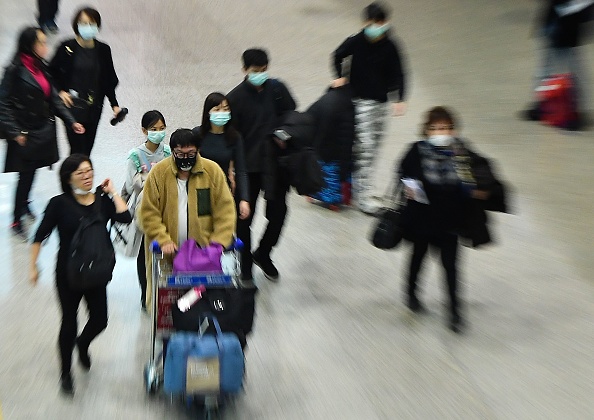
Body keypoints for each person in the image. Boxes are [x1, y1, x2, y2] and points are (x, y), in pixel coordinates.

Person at [29, 154, 131, 395]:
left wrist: (113, 192)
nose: (87, 177)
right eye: (80, 173)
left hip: (96, 271)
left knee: (100, 320)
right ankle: (66, 373)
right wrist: (33, 266)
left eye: (89, 171)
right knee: (69, 322)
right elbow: (39, 235)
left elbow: (126, 217)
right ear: (68, 178)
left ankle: (82, 344)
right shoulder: (58, 204)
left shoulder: (102, 200)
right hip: (68, 274)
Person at [398, 106, 506, 334]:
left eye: (446, 128)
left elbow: (485, 171)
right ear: (427, 130)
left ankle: (455, 312)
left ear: (454, 130)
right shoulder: (416, 151)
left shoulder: (462, 152)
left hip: (451, 222)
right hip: (423, 220)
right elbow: (403, 172)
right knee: (418, 259)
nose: (441, 132)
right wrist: (409, 188)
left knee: (451, 268)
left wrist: (481, 190)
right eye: (436, 128)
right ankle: (411, 293)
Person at [0, 26, 85, 238]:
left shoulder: (41, 67)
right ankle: (16, 219)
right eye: (41, 42)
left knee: (32, 171)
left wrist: (71, 120)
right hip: (24, 132)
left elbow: (53, 98)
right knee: (25, 173)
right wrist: (14, 132)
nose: (45, 46)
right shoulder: (14, 70)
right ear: (30, 45)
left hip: (41, 130)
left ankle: (25, 204)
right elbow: (2, 103)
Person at [138, 129, 236, 308]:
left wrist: (219, 241)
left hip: (203, 254)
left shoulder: (212, 171)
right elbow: (148, 212)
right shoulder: (159, 173)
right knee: (168, 306)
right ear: (172, 151)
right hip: (168, 254)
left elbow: (226, 210)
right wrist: (162, 239)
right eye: (179, 154)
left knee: (200, 303)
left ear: (198, 150)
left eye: (191, 154)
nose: (185, 158)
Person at [227, 48, 296, 283]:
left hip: (276, 165)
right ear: (245, 70)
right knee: (244, 219)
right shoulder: (234, 99)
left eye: (264, 70)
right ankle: (245, 264)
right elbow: (230, 138)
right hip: (249, 169)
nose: (261, 75)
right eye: (256, 71)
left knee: (279, 215)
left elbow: (292, 115)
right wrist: (232, 170)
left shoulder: (278, 90)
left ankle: (263, 253)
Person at [332, 1, 407, 215]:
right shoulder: (357, 41)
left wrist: (400, 98)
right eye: (371, 23)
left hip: (380, 104)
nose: (375, 27)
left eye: (380, 22)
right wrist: (339, 77)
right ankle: (360, 196)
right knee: (365, 146)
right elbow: (337, 55)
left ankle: (358, 189)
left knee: (373, 148)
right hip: (359, 101)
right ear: (365, 22)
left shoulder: (392, 46)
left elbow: (399, 72)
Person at [48, 6, 123, 156]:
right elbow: (51, 72)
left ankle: (78, 176)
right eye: (83, 23)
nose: (88, 27)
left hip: (94, 108)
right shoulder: (66, 47)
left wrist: (115, 105)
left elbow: (108, 79)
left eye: (91, 23)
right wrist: (61, 92)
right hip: (71, 107)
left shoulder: (103, 50)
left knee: (87, 149)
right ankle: (74, 176)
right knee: (76, 149)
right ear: (76, 24)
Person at [123, 110, 171, 310]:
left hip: (167, 210)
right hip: (145, 210)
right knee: (145, 255)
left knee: (167, 253)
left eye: (161, 129)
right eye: (153, 129)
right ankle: (145, 293)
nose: (158, 133)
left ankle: (166, 293)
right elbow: (130, 183)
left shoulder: (168, 152)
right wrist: (151, 180)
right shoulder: (135, 155)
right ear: (144, 130)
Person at [522, 0, 593, 128]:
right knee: (544, 68)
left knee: (574, 70)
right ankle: (543, 103)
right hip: (554, 19)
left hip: (570, 25)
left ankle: (575, 111)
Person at [194, 92, 250, 221]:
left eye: (225, 109)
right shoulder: (197, 134)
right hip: (200, 190)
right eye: (217, 109)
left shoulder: (235, 137)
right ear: (208, 112)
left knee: (222, 231)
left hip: (224, 190)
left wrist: (244, 199)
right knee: (202, 230)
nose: (222, 113)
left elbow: (241, 171)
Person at [306, 85, 356, 209]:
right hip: (334, 154)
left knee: (319, 172)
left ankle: (312, 192)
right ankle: (334, 200)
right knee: (334, 174)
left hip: (318, 150)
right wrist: (345, 171)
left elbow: (307, 119)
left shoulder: (323, 100)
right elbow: (347, 141)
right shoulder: (347, 107)